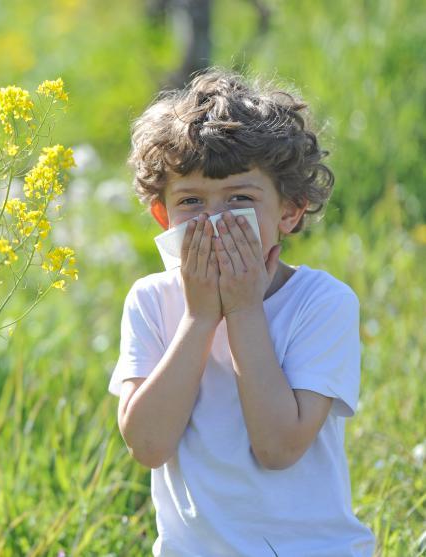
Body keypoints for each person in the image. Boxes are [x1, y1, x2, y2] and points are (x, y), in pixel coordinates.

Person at [108, 67, 376, 556]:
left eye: (240, 199)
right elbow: (147, 445)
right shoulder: (152, 301)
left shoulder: (322, 303)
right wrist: (198, 318)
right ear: (163, 216)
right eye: (191, 201)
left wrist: (244, 309)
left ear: (289, 212)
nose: (214, 220)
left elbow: (278, 448)